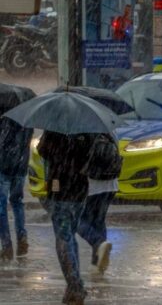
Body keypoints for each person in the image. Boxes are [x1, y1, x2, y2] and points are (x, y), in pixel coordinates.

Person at [38, 131, 94, 305]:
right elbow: (91, 157)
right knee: (70, 237)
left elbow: (42, 151)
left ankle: (75, 286)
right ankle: (73, 286)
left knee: (63, 239)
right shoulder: (88, 129)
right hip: (80, 192)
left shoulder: (56, 128)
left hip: (60, 190)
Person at [77, 133, 120, 275]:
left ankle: (98, 243)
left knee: (77, 221)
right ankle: (97, 263)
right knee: (99, 221)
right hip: (111, 184)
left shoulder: (84, 133)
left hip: (92, 184)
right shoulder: (110, 131)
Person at [0, 117, 33, 261]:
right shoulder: (27, 120)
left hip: (4, 167)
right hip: (21, 167)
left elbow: (2, 143)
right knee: (17, 202)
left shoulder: (5, 121)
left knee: (1, 207)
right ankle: (21, 236)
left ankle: (7, 246)